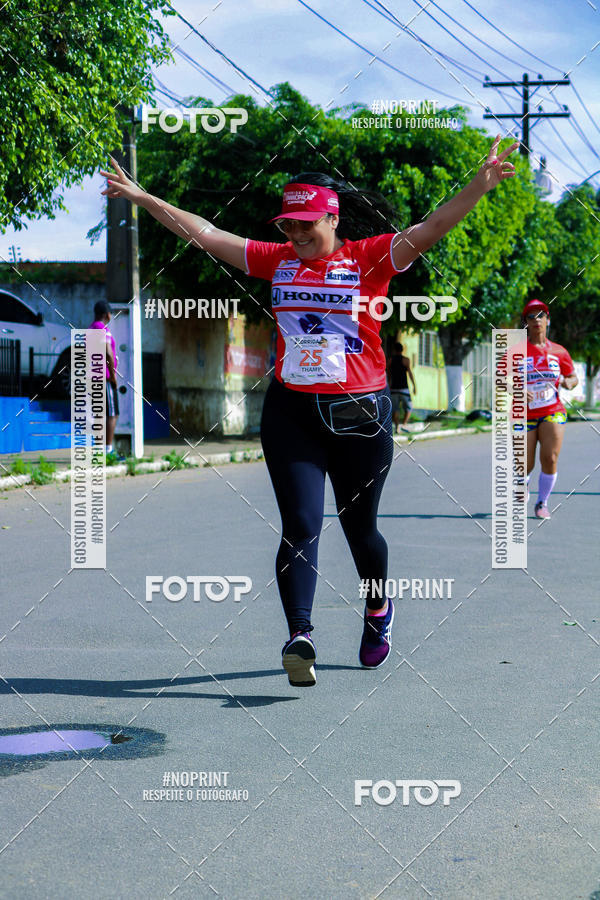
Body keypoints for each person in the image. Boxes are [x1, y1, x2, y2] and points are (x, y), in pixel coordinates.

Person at [100, 134, 518, 686]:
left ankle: (378, 611)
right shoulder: (277, 262)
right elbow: (205, 233)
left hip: (359, 416)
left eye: (306, 226)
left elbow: (432, 227)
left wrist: (479, 186)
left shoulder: (370, 258)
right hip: (291, 412)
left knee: (359, 528)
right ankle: (301, 636)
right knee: (299, 523)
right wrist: (144, 197)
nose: (295, 236)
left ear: (333, 220)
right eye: (288, 227)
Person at [521, 299, 578, 519]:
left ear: (548, 320)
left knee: (550, 457)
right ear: (525, 323)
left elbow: (573, 377)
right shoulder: (517, 350)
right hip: (524, 413)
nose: (536, 320)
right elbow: (501, 378)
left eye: (541, 315)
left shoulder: (559, 351)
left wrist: (568, 382)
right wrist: (515, 388)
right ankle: (523, 483)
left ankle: (542, 502)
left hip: (552, 409)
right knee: (524, 463)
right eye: (531, 316)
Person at [89, 300, 120, 458]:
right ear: (106, 314)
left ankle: (99, 450)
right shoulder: (103, 329)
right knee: (111, 414)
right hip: (105, 378)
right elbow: (108, 353)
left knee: (99, 414)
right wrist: (113, 377)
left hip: (94, 377)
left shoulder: (91, 329)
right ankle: (108, 450)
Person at [388, 342, 416, 432]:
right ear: (402, 350)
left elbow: (388, 374)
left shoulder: (390, 360)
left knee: (395, 409)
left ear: (394, 350)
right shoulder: (406, 360)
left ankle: (397, 428)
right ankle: (404, 424)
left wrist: (388, 386)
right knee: (409, 408)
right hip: (404, 388)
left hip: (393, 388)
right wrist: (414, 385)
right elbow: (410, 373)